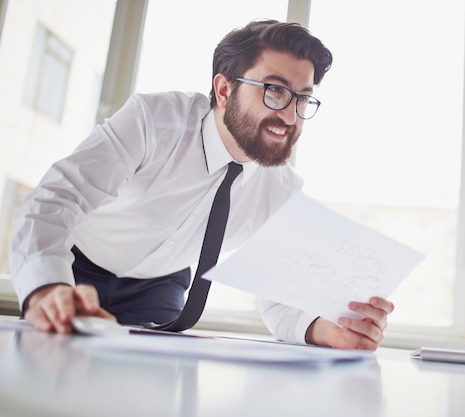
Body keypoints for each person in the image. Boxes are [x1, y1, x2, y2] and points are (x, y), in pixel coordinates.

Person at [9, 19, 394, 350]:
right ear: (225, 90)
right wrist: (47, 287)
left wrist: (331, 331)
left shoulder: (282, 191)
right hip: (75, 268)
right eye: (275, 90)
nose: (290, 115)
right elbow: (54, 201)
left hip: (157, 289)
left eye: (302, 98)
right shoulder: (152, 121)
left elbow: (282, 301)